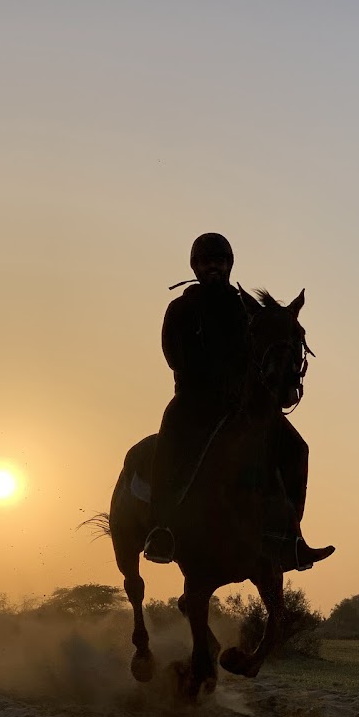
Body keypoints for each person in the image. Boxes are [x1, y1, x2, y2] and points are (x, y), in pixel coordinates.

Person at [144, 233, 334, 570]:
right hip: (195, 400)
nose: (213, 267)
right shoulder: (182, 308)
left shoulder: (245, 309)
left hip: (241, 403)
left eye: (219, 261)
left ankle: (292, 537)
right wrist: (214, 376)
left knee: (297, 449)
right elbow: (173, 355)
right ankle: (161, 529)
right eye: (207, 262)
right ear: (196, 266)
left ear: (229, 265)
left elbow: (262, 349)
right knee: (170, 441)